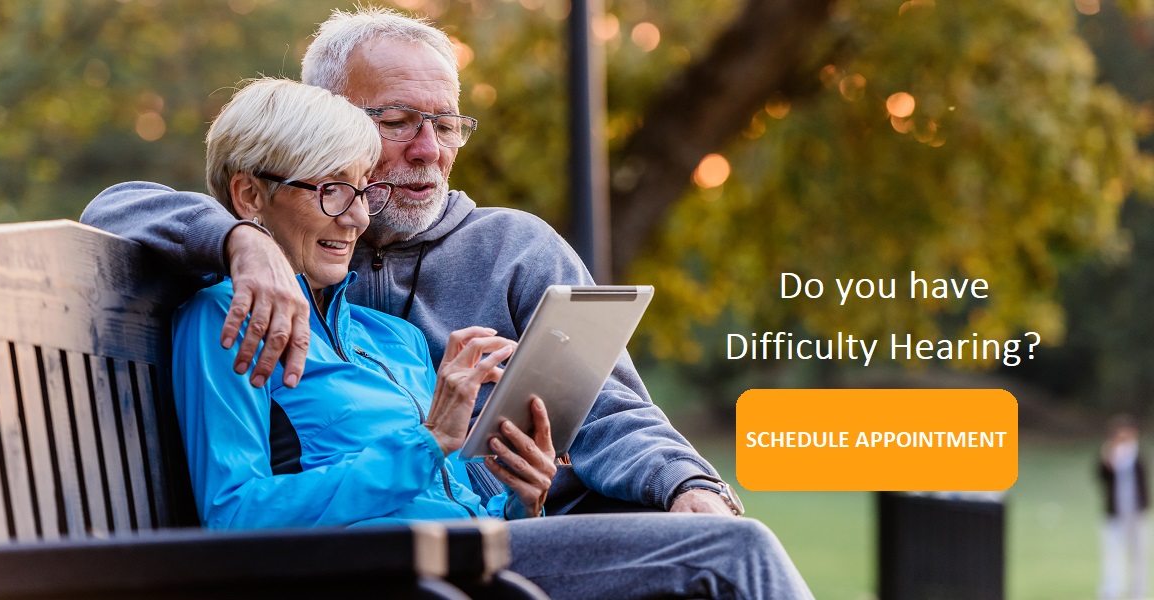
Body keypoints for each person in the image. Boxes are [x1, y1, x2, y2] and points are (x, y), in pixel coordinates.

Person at [173, 75, 812, 599]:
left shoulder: (389, 336)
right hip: (387, 572)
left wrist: (520, 495)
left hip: (476, 561)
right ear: (250, 195)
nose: (358, 218)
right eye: (334, 193)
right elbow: (237, 516)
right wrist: (427, 443)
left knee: (722, 554)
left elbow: (455, 489)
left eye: (363, 192)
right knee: (732, 554)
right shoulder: (224, 321)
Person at [82, 6, 734, 516]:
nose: (429, 149)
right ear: (329, 125)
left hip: (536, 527)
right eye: (397, 121)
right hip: (401, 561)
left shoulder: (513, 250)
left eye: (446, 124)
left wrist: (689, 487)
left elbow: (609, 409)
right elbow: (116, 208)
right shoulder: (283, 234)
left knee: (725, 545)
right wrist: (239, 241)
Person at [1098, 414, 1149, 600]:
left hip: (1136, 513)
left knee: (1138, 554)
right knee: (1112, 554)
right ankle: (1111, 591)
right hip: (1115, 512)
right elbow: (1101, 475)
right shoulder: (1110, 455)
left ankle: (1138, 592)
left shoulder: (1136, 455)